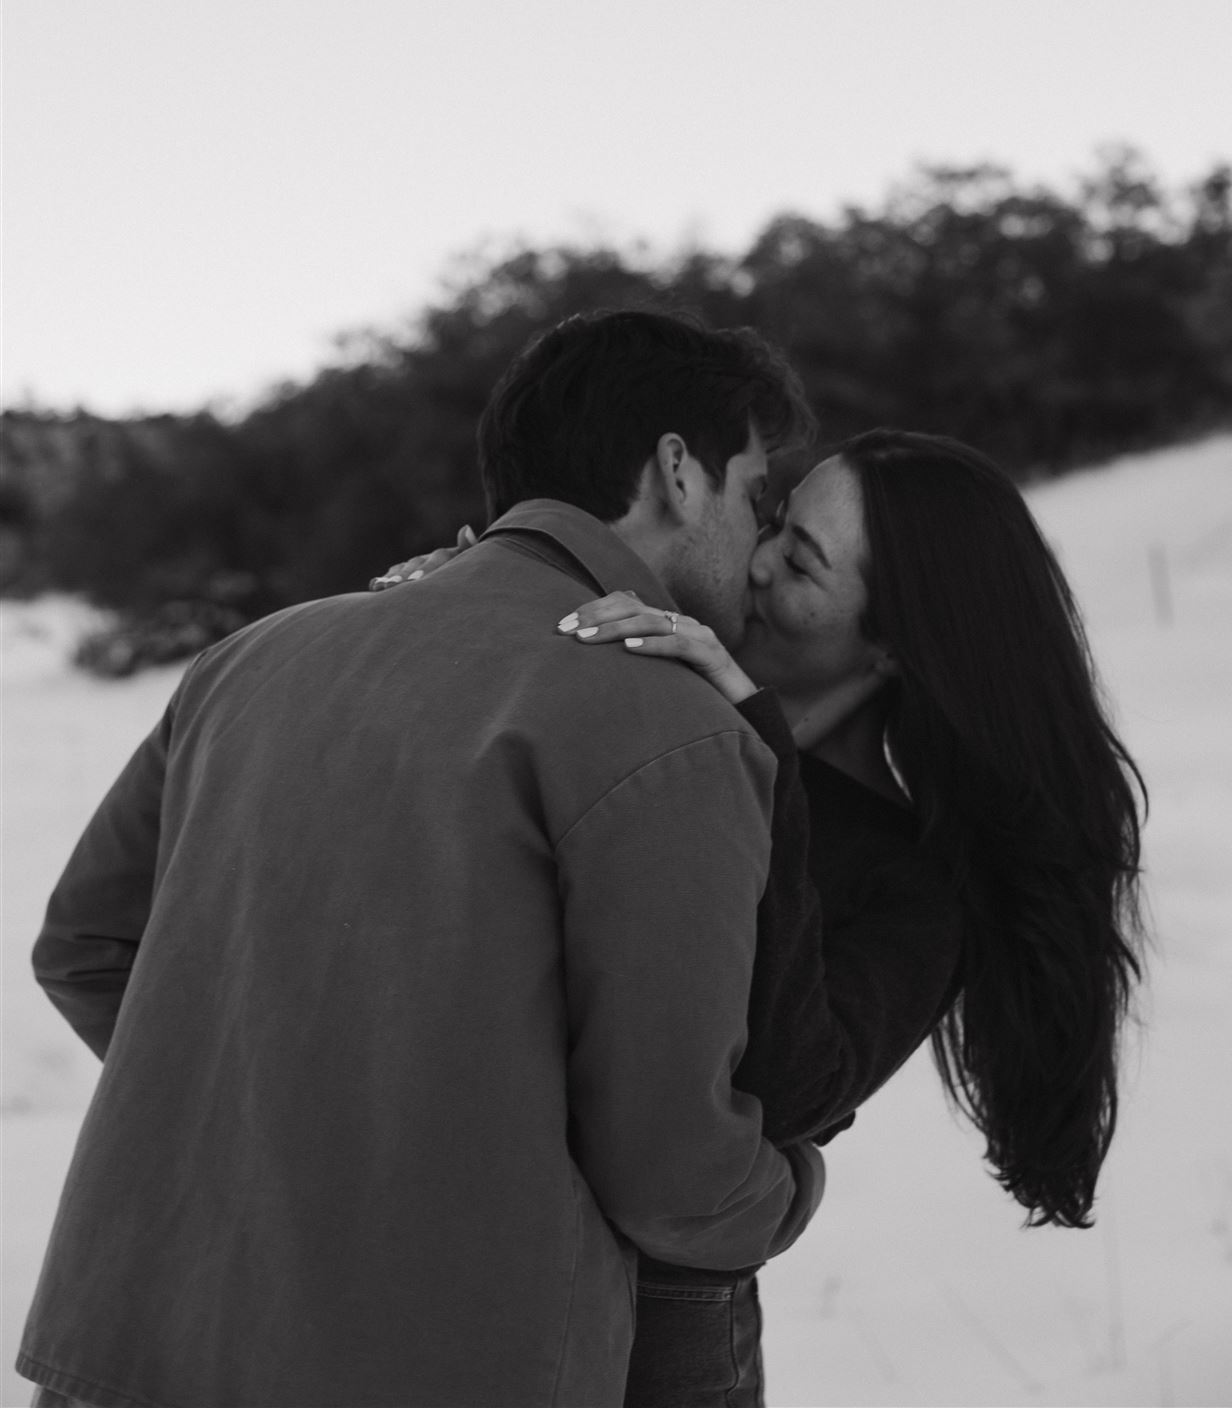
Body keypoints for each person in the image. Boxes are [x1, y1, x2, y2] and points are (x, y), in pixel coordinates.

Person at [18, 310, 827, 1408]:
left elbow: (84, 947)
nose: (756, 534)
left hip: (123, 1352)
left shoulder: (251, 656)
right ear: (678, 474)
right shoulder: (665, 720)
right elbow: (672, 1170)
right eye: (756, 492)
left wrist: (291, 1113)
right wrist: (790, 1183)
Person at [380, 426, 1149, 1407]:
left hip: (659, 1328)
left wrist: (762, 747)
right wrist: (452, 614)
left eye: (799, 560)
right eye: (774, 518)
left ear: (893, 645)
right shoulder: (637, 692)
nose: (752, 556)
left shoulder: (911, 886)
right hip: (455, 1265)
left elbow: (788, 1089)